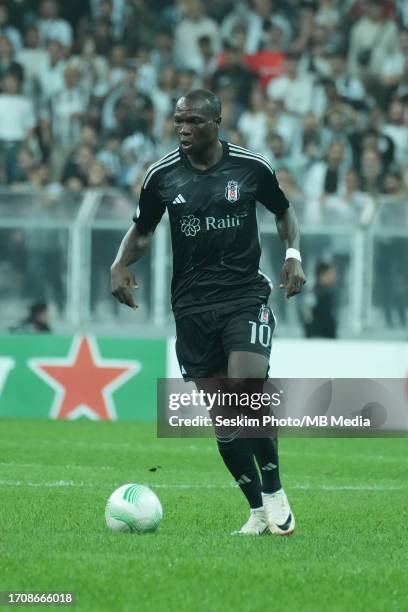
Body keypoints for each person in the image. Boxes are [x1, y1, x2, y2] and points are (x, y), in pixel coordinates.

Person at [111, 89, 306, 536]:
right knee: (225, 417)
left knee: (246, 386)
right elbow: (141, 230)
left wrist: (292, 253)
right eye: (178, 120)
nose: (183, 128)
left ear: (216, 122)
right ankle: (257, 510)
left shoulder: (251, 167)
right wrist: (120, 263)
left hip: (244, 296)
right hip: (192, 307)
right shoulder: (161, 176)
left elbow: (284, 211)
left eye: (194, 121)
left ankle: (275, 491)